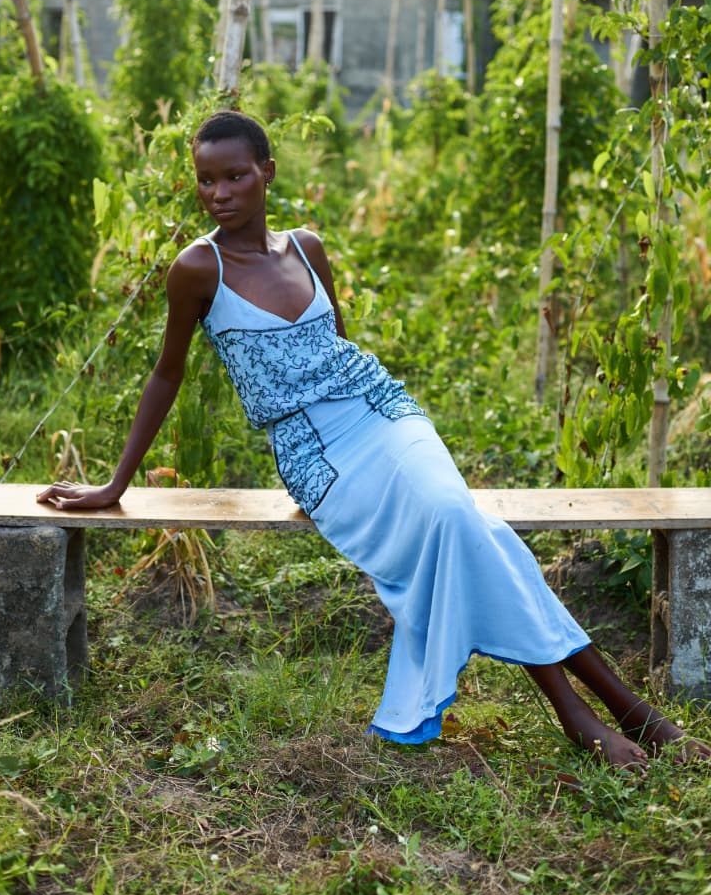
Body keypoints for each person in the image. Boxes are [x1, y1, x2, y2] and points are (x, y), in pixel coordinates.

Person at [38, 110, 708, 769]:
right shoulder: (197, 269)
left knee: (463, 523)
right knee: (461, 523)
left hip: (384, 412)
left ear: (266, 174)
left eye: (235, 177)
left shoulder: (308, 246)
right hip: (316, 453)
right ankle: (604, 711)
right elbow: (167, 373)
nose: (218, 194)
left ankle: (603, 712)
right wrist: (115, 484)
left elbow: (339, 347)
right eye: (205, 180)